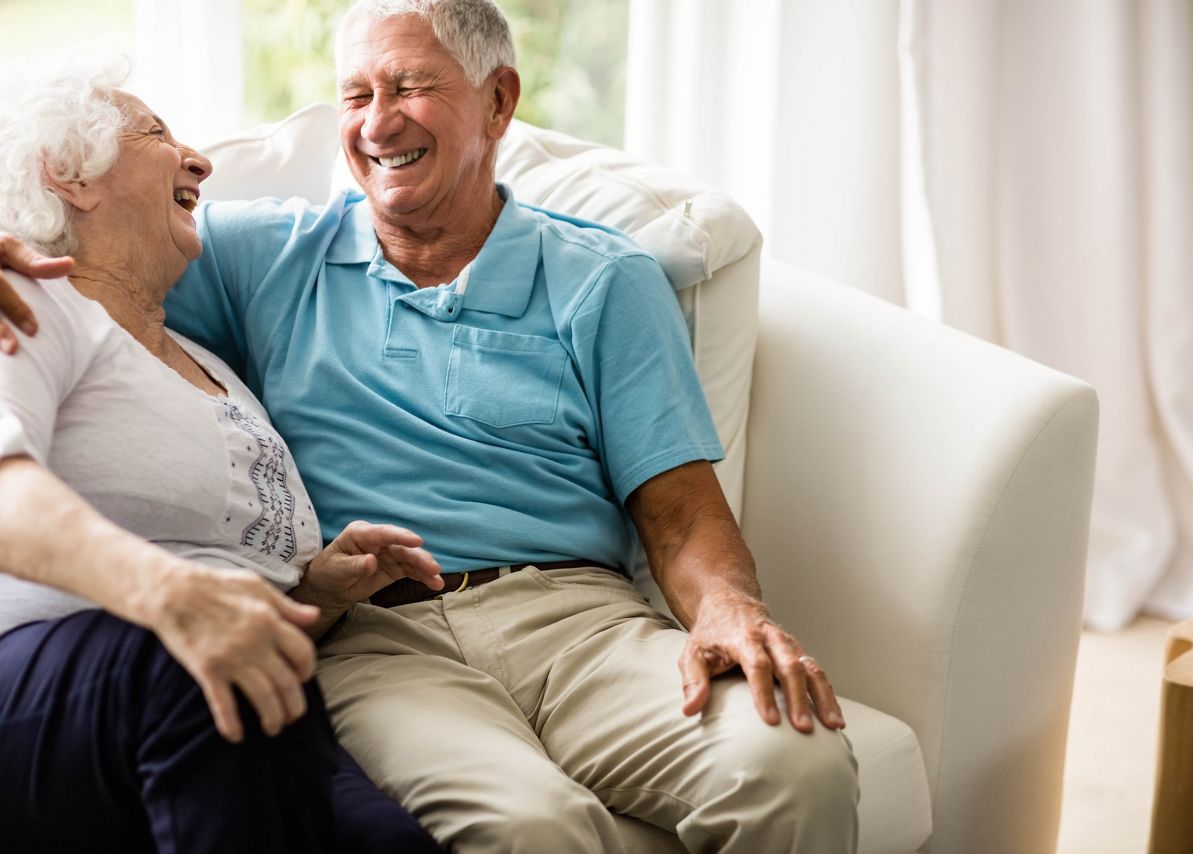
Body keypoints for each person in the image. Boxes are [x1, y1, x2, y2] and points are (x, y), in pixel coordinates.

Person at [0, 1, 861, 851]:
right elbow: (87, 253)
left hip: (577, 622)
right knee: (531, 830)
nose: (378, 122)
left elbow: (680, 513)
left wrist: (728, 610)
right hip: (382, 634)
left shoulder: (605, 279)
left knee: (794, 767)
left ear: (497, 101)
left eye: (410, 86)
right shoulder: (254, 257)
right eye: (356, 95)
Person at [0, 64, 444, 854]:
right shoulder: (28, 306)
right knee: (197, 669)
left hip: (216, 686)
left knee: (391, 842)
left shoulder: (210, 363)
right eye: (158, 136)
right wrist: (170, 596)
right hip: (50, 673)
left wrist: (318, 590)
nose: (199, 160)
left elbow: (230, 575)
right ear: (69, 177)